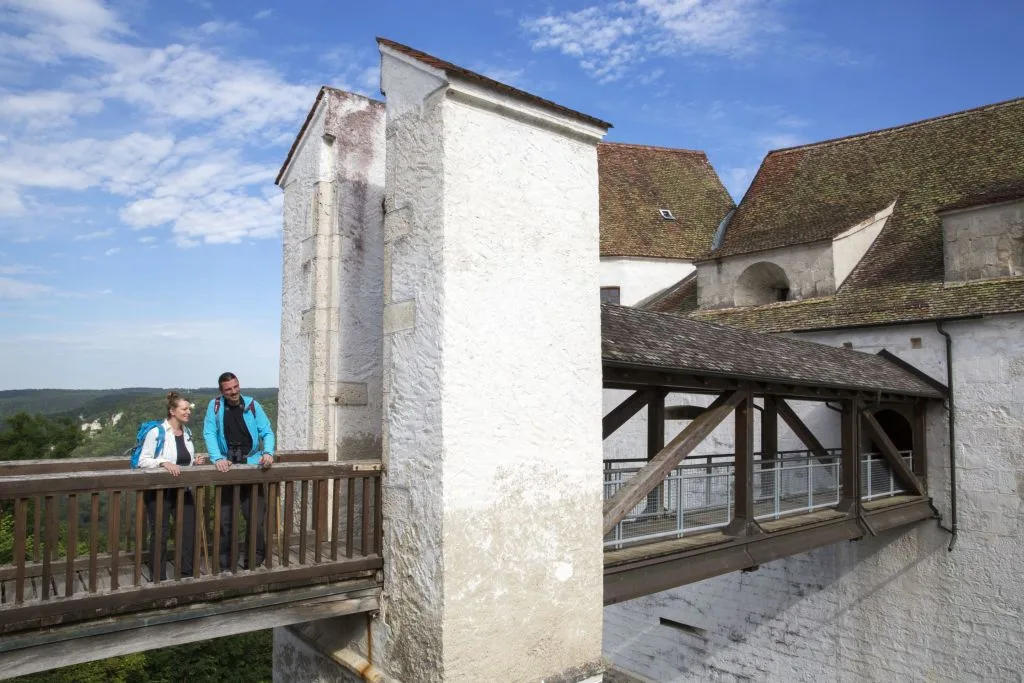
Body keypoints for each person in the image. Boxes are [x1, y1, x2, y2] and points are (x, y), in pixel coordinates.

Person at [203, 372, 275, 571]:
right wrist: (217, 458)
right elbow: (209, 432)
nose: (234, 392)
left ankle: (253, 561)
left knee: (256, 520)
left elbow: (267, 431)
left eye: (236, 387)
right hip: (228, 469)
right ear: (222, 391)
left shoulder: (252, 405)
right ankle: (225, 564)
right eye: (228, 389)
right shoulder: (215, 406)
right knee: (226, 521)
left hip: (252, 466)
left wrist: (268, 453)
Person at [136, 391, 206, 580]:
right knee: (160, 532)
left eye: (188, 409)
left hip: (183, 489)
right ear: (172, 411)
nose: (188, 412)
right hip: (160, 491)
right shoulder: (157, 432)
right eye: (184, 409)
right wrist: (163, 463)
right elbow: (143, 460)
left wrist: (194, 462)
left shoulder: (187, 433)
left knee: (189, 530)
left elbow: (184, 461)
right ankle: (158, 577)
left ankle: (186, 574)